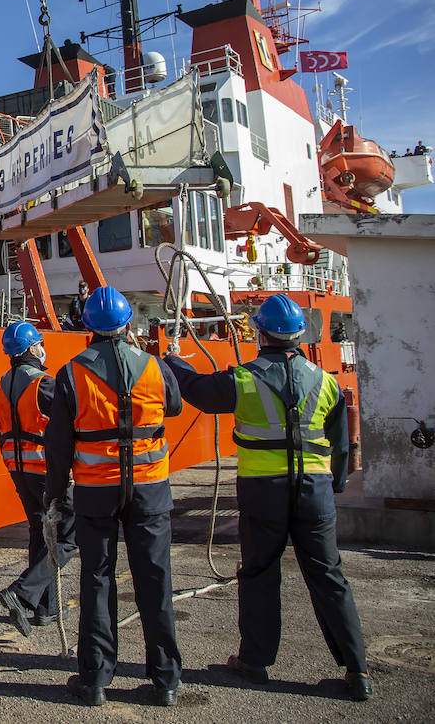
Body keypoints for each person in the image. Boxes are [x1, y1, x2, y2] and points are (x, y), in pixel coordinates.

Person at [163, 294, 371, 701]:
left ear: (259, 333)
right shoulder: (326, 381)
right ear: (298, 336)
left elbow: (199, 391)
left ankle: (255, 662)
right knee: (329, 577)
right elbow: (341, 446)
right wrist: (335, 488)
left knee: (258, 573)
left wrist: (173, 359)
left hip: (263, 491)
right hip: (315, 493)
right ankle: (357, 670)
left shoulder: (244, 378)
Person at [45, 286, 184, 707]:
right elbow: (174, 407)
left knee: (97, 580)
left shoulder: (71, 374)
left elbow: (58, 445)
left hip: (95, 493)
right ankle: (166, 682)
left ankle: (95, 680)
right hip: (150, 491)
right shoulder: (155, 367)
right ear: (128, 324)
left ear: (87, 326)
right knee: (156, 581)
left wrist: (55, 496)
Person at [0, 321, 76, 637]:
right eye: (39, 342)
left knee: (40, 533)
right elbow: (72, 419)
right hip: (43, 469)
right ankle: (23, 592)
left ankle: (46, 609)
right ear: (31, 349)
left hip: (17, 469)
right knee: (69, 534)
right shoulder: (43, 384)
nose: (43, 347)